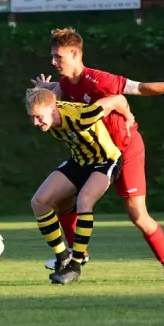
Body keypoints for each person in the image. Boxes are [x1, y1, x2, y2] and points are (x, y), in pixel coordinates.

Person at [31, 27, 164, 282]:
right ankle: (76, 256)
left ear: (74, 53)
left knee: (137, 214)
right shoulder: (63, 85)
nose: (53, 61)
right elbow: (55, 100)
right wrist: (45, 88)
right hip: (93, 154)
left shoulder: (99, 80)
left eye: (58, 56)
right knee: (61, 201)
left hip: (125, 150)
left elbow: (140, 88)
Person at [26, 87, 134, 284]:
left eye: (39, 116)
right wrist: (42, 90)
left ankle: (75, 265)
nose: (35, 122)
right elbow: (53, 99)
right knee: (39, 202)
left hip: (105, 161)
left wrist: (128, 117)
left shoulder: (82, 115)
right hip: (79, 162)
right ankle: (62, 258)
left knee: (85, 200)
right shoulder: (51, 112)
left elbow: (117, 99)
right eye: (32, 117)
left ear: (51, 108)